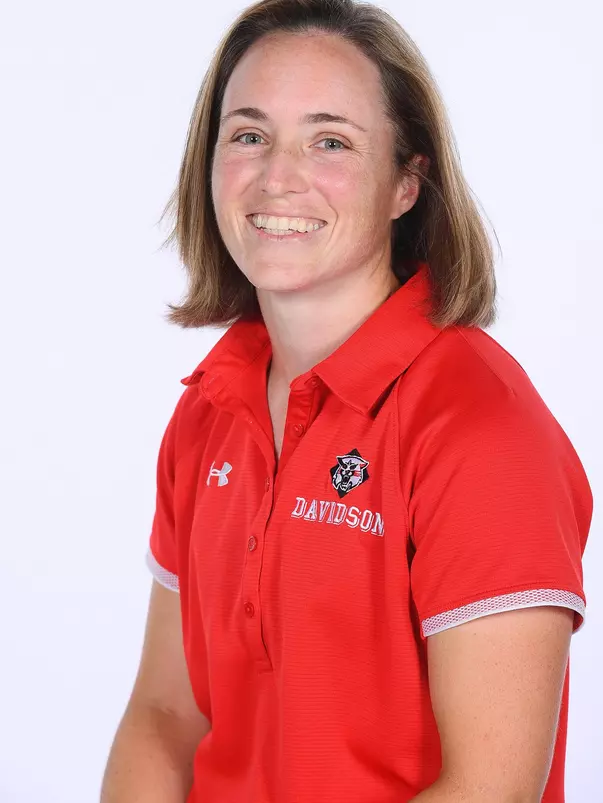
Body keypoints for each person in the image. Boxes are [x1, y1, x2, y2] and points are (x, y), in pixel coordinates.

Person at [100, 1, 593, 801]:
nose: (277, 176)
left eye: (329, 140)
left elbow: (487, 789)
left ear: (406, 182)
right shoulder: (208, 410)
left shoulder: (480, 427)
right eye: (248, 135)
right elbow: (164, 718)